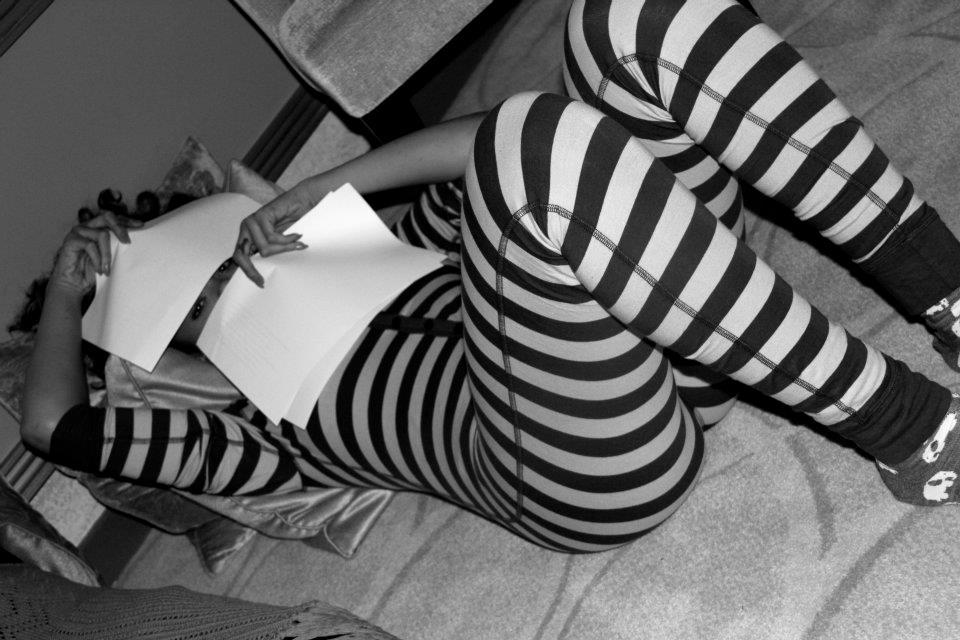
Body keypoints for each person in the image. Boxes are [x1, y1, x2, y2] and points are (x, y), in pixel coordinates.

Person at [19, 0, 960, 553]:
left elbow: (496, 142)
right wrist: (68, 293)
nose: (218, 280)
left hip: (689, 337)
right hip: (572, 473)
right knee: (532, 151)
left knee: (627, 21)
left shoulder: (373, 251)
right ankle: (908, 429)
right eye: (188, 300)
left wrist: (329, 187)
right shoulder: (244, 432)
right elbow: (54, 426)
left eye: (207, 254)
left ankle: (946, 290)